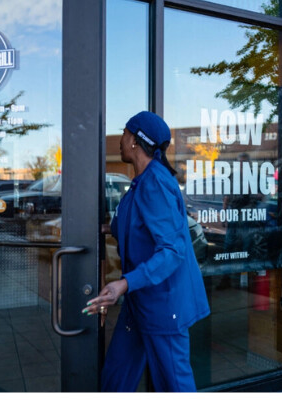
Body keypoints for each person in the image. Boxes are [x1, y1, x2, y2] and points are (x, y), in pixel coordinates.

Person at [83, 111, 210, 392]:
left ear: (136, 142)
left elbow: (172, 251)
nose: (121, 139)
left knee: (175, 386)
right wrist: (100, 231)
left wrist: (123, 284)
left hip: (164, 306)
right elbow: (132, 227)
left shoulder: (156, 183)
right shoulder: (140, 182)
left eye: (126, 133)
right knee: (117, 376)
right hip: (140, 302)